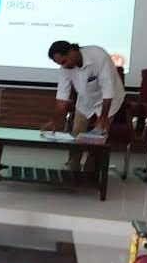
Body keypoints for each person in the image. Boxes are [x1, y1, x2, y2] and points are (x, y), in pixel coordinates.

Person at [43, 41, 125, 171]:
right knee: (77, 133)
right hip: (85, 100)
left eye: (64, 62)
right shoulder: (65, 68)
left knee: (98, 137)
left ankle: (91, 172)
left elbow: (108, 90)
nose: (63, 66)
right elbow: (62, 98)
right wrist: (54, 120)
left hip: (109, 100)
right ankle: (73, 168)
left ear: (71, 52)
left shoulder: (98, 56)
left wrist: (103, 118)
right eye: (59, 64)